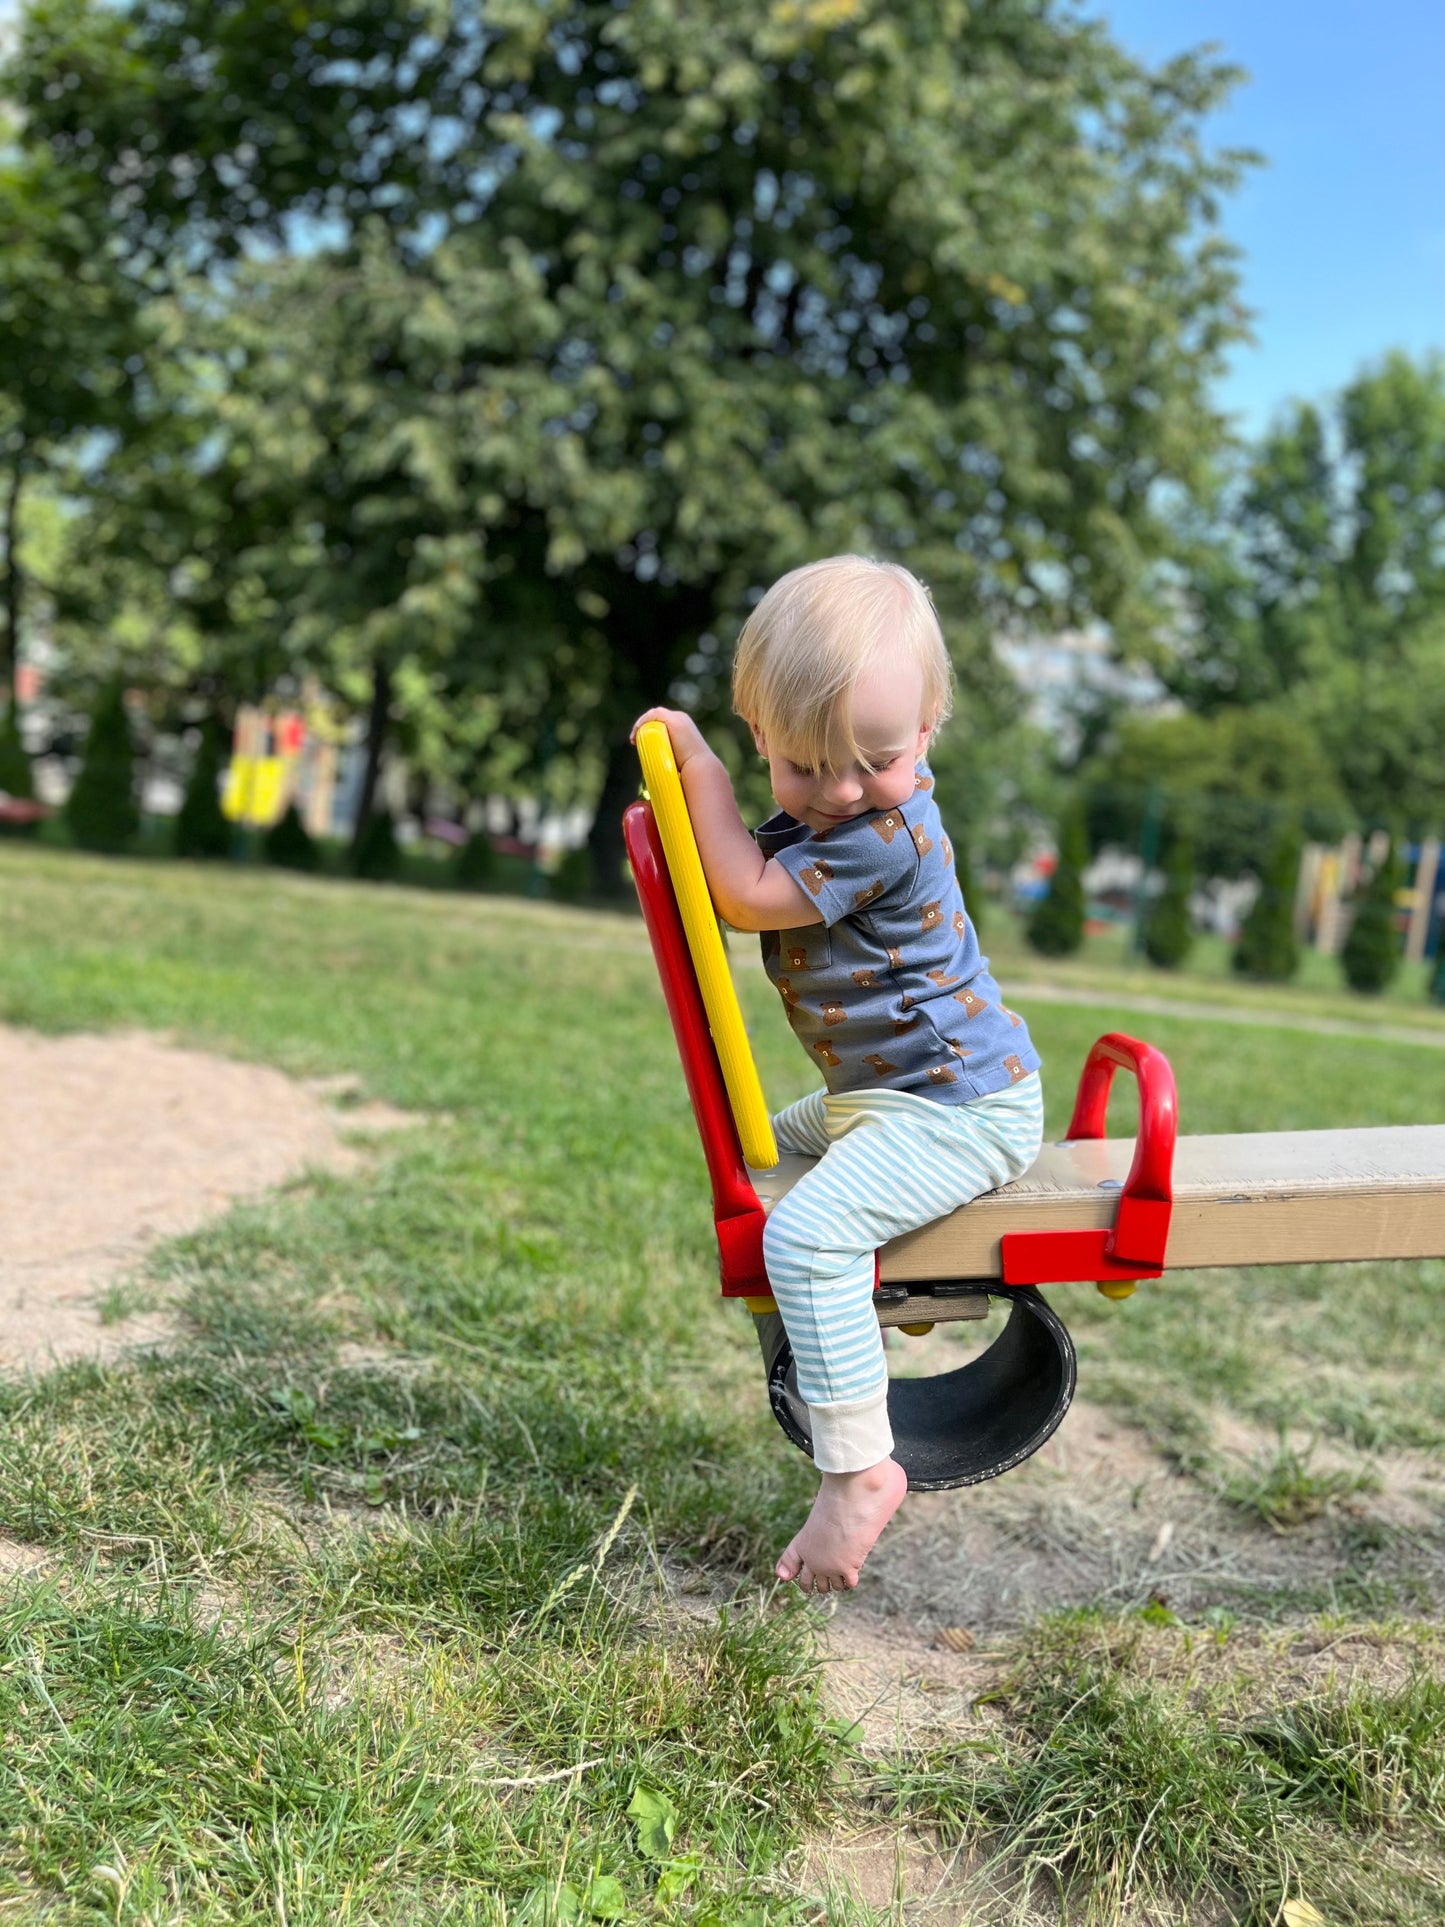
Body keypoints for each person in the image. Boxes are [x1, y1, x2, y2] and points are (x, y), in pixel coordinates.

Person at [632, 555, 1043, 1595]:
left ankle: (859, 1468)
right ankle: (858, 1310)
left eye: (876, 758)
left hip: (957, 1109)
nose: (843, 789)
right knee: (769, 1148)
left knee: (806, 1231)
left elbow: (746, 895)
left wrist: (703, 782)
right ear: (764, 730)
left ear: (929, 728)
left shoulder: (884, 836)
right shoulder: (837, 817)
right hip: (888, 1099)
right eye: (808, 766)